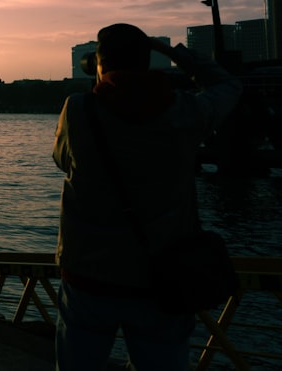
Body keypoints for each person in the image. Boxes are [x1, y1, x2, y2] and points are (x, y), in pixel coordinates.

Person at [53, 23, 242, 370]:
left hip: (88, 276)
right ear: (148, 61)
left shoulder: (79, 110)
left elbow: (61, 159)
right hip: (162, 279)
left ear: (99, 63)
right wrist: (175, 53)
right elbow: (228, 85)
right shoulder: (186, 112)